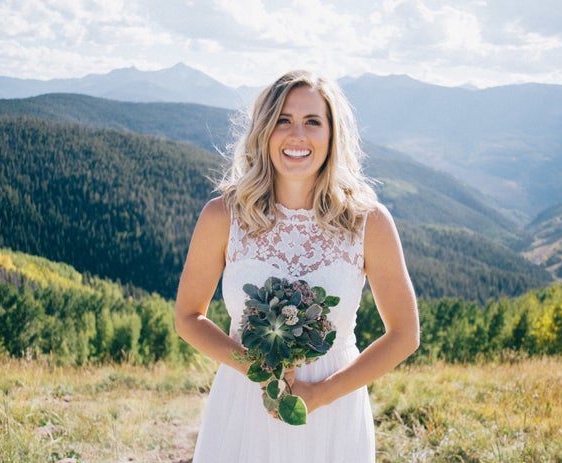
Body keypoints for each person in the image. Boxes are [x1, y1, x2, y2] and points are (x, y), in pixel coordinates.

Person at [174, 69, 419, 462]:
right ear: (265, 131)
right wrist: (255, 368)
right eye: (283, 120)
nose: (297, 135)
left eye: (312, 122)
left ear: (332, 135)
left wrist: (321, 395)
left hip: (333, 409)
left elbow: (405, 335)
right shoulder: (223, 216)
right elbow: (187, 317)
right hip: (244, 404)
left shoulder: (368, 221)